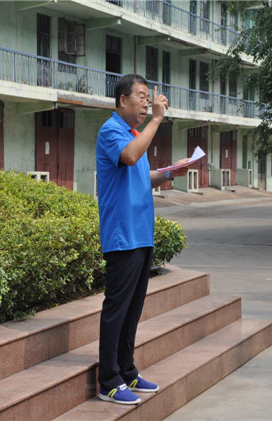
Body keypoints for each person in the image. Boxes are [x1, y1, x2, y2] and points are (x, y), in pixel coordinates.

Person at [95, 74, 190, 405]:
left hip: (141, 234)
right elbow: (130, 157)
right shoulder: (111, 131)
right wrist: (157, 121)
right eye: (141, 97)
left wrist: (170, 172)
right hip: (122, 236)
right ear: (123, 100)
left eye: (149, 99)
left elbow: (141, 175)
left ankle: (127, 371)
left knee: (132, 310)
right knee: (117, 309)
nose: (147, 104)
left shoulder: (134, 134)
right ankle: (108, 381)